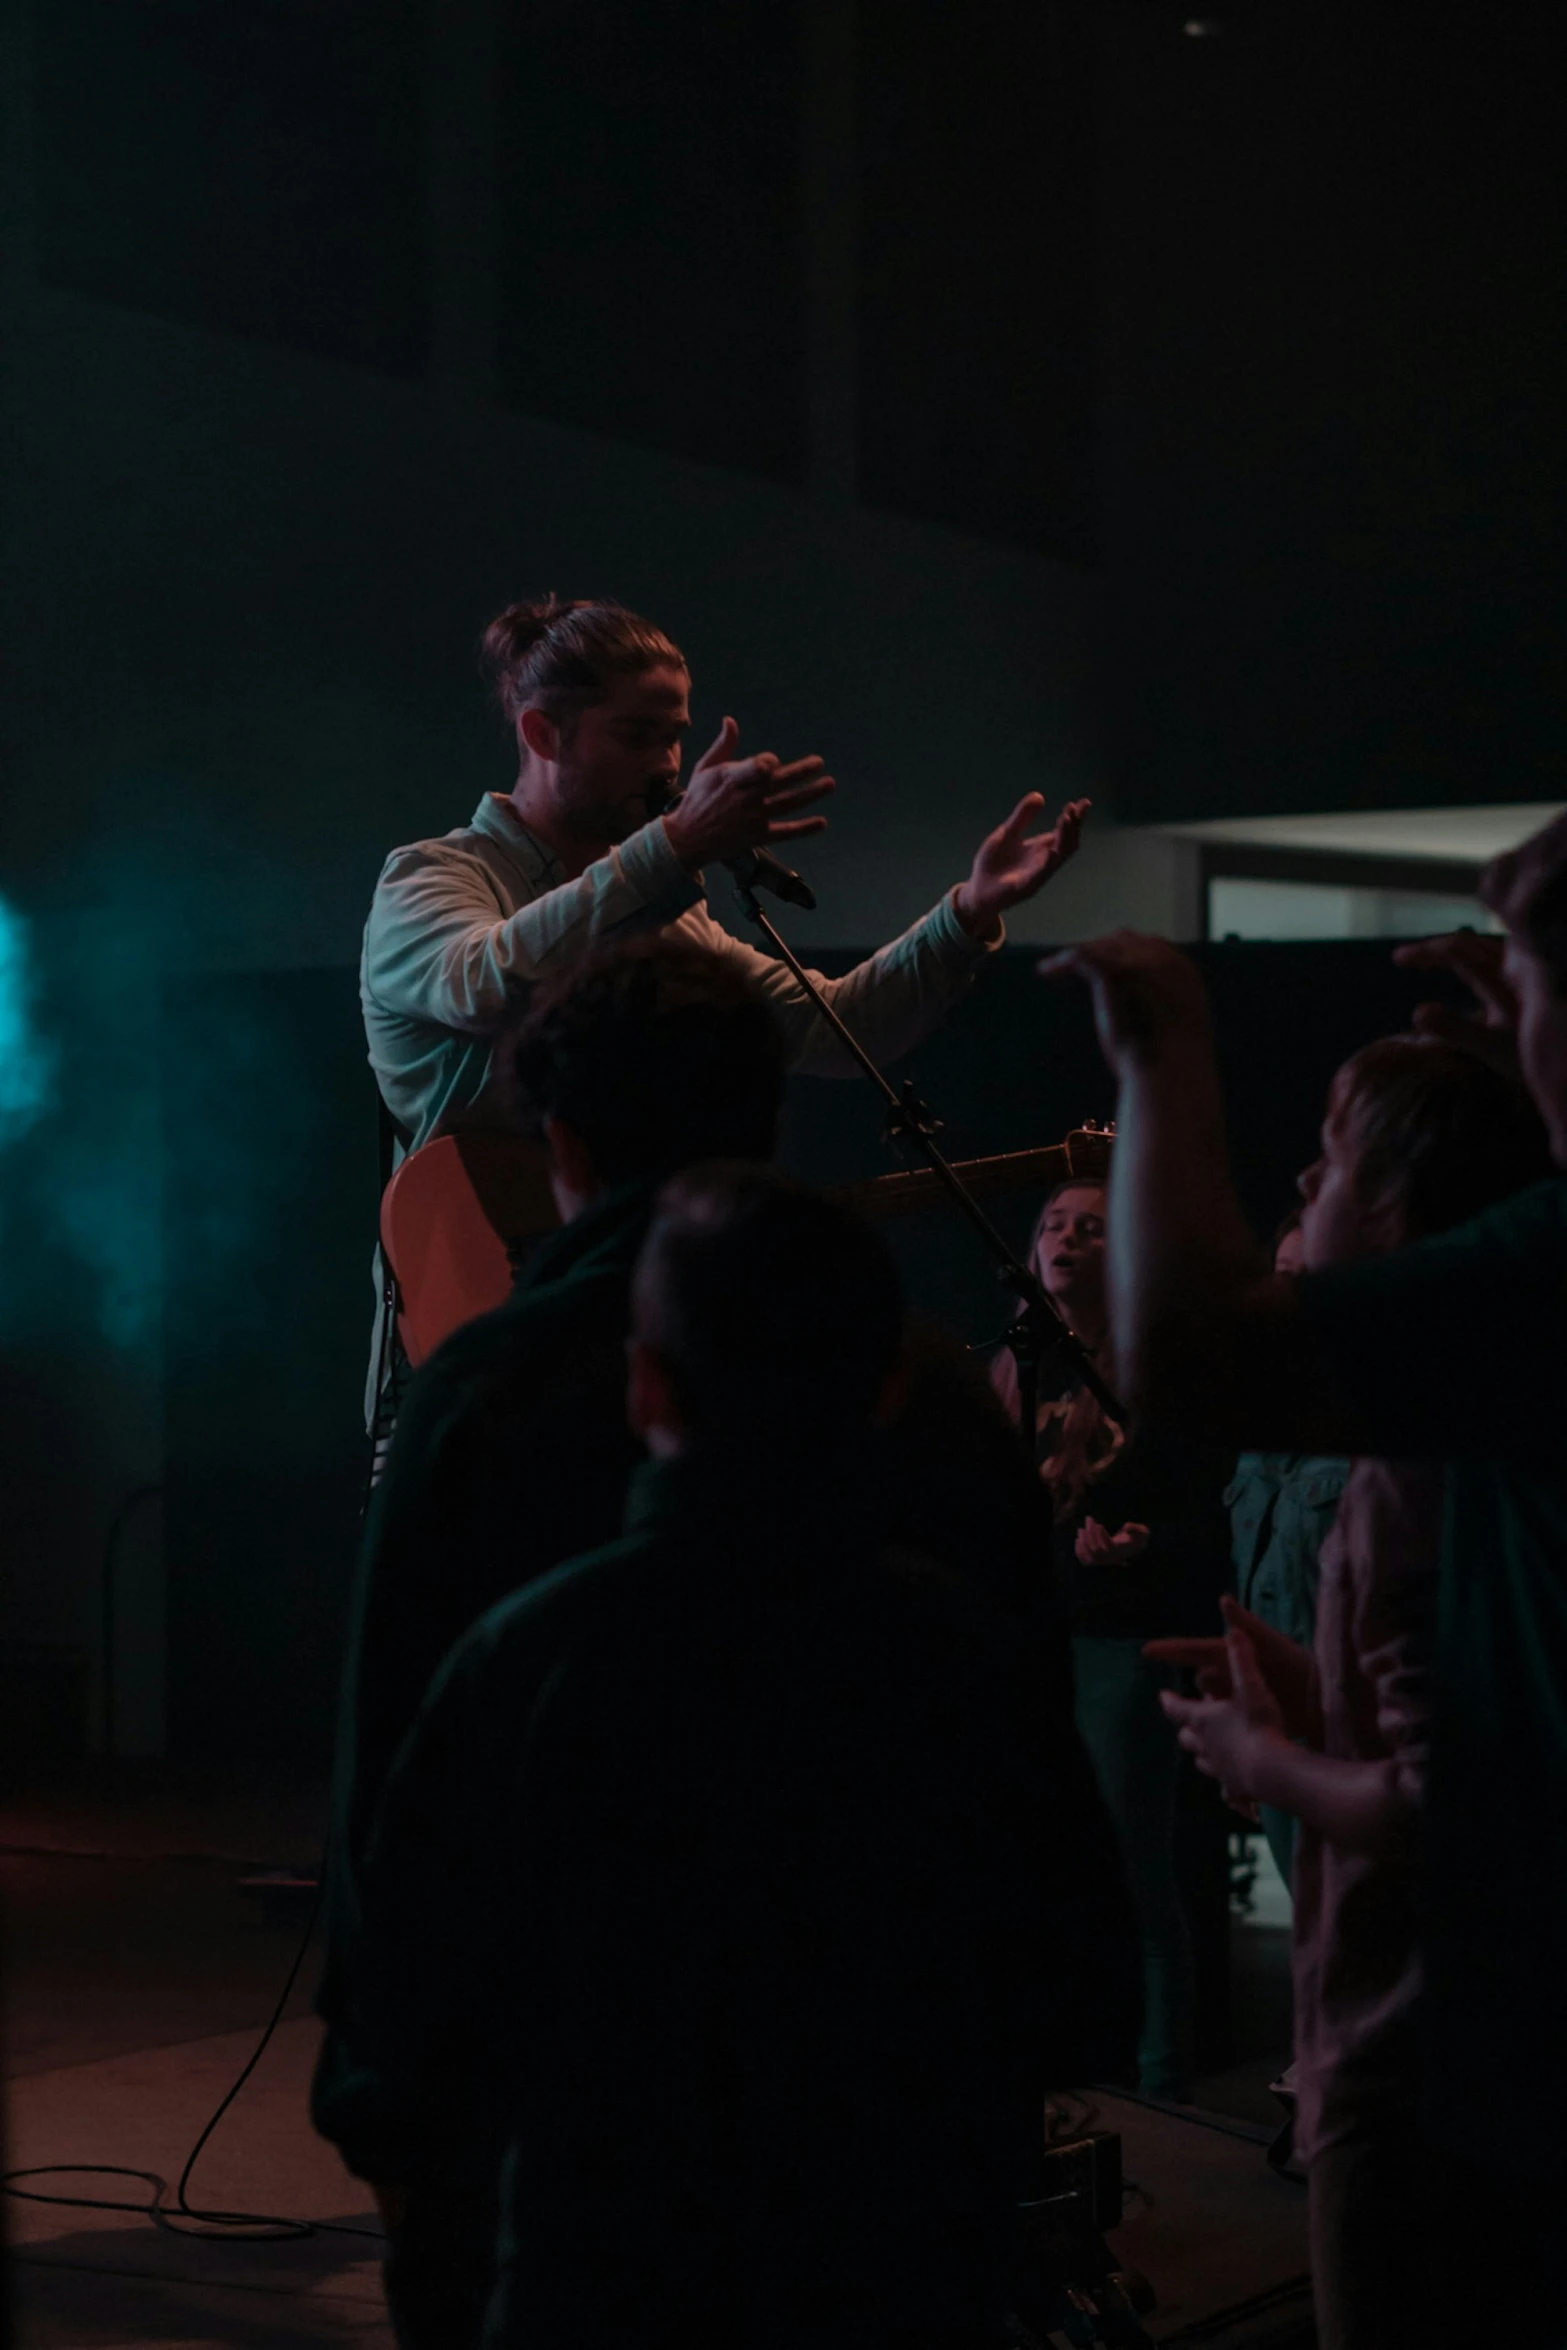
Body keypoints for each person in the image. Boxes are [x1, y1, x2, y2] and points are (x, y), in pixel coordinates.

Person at [323, 1170, 1135, 2350]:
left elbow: (406, 2003)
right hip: (888, 2272)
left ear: (646, 1386)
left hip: (597, 2276)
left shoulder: (528, 1655)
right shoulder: (957, 1658)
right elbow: (1080, 1987)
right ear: (890, 1383)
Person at [1041, 806, 1567, 2343]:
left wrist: (1152, 1052)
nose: (1293, 1192)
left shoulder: (1448, 1400)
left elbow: (1194, 1357)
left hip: (1473, 2051)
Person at [361, 593, 1089, 1408]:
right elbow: (486, 984)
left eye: (675, 736)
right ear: (541, 734)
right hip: (462, 1356)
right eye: (637, 736)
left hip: (633, 1347)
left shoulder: (667, 908)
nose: (669, 766)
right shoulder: (431, 879)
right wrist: (666, 850)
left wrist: (965, 917)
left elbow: (837, 1029)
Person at [1145, 1035, 1552, 2350]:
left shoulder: (1410, 1469)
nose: (1298, 1184)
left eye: (1325, 1162)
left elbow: (1452, 1803)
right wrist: (1308, 1694)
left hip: (1417, 2062)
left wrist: (1263, 1763)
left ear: (1389, 1217)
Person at [993, 1179, 1228, 2099]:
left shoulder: (1155, 1367)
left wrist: (1144, 1544)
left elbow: (1212, 1513)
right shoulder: (1018, 1367)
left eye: (1092, 1227)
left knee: (1130, 1871)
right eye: (1052, 1223)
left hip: (1119, 1643)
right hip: (1033, 1646)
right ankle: (1076, 2068)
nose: (1067, 1238)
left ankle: (1166, 2084)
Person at [1222, 1212, 1350, 1893]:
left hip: (1356, 1744)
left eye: (1308, 1278)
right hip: (1281, 1734)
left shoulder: (1382, 1424)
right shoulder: (1263, 1424)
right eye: (1281, 1276)